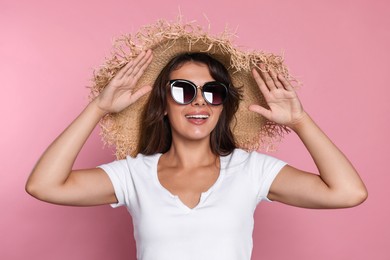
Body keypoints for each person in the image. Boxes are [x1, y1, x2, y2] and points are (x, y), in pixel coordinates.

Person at [26, 19, 367, 260]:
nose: (199, 101)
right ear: (162, 105)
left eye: (212, 92)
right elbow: (44, 185)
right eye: (183, 90)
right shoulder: (133, 175)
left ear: (223, 105)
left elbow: (348, 192)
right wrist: (98, 107)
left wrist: (300, 121)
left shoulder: (252, 171)